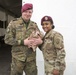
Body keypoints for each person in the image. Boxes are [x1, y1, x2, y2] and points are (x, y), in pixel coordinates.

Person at [4, 3, 42, 75]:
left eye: (30, 12)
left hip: (31, 59)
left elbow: (39, 38)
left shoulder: (34, 25)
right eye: (25, 12)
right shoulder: (14, 23)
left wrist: (40, 41)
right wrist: (23, 42)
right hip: (18, 59)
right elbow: (7, 39)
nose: (27, 14)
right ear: (22, 12)